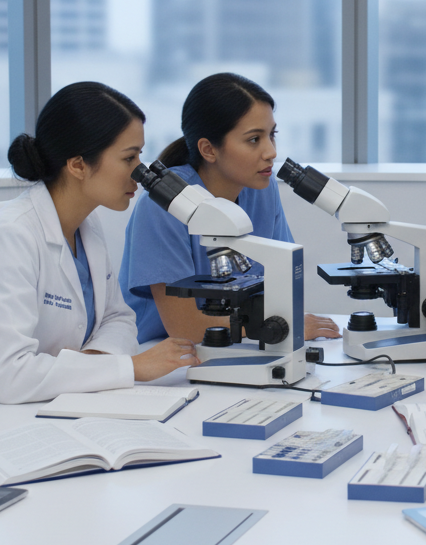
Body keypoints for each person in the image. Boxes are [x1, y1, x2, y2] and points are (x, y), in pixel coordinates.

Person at [0, 82, 200, 430]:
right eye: (129, 158)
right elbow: (10, 375)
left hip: (49, 415)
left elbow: (119, 319)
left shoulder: (86, 224)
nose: (140, 174)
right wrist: (130, 367)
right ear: (79, 165)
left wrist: (93, 364)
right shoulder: (9, 237)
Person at [120, 72, 341, 344]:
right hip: (158, 348)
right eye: (253, 139)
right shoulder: (163, 206)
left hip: (236, 338)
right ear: (209, 150)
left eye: (272, 135)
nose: (271, 151)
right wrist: (281, 324)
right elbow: (185, 327)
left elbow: (283, 283)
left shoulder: (262, 188)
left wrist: (282, 323)